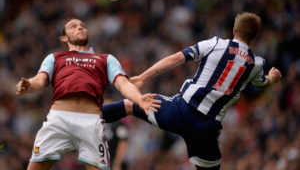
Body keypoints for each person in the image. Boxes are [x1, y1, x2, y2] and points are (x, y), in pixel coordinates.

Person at [102, 12, 282, 170]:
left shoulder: (215, 44)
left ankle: (88, 117)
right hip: (206, 128)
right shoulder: (256, 64)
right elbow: (262, 83)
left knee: (130, 106)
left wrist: (143, 77)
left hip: (181, 111)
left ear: (234, 31)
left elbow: (175, 59)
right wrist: (272, 78)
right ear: (254, 37)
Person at [15, 19, 161, 170]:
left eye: (82, 26)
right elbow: (40, 81)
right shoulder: (55, 57)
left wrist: (138, 98)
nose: (79, 27)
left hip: (90, 123)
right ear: (64, 37)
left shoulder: (106, 59)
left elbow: (123, 84)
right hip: (59, 119)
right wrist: (29, 85)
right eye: (73, 26)